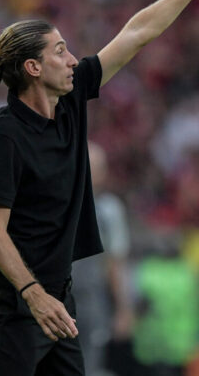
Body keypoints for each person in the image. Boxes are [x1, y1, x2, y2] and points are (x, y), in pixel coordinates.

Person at [0, 0, 199, 376]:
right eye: (60, 51)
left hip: (59, 300)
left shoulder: (72, 97)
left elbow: (136, 33)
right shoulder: (2, 136)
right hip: (16, 308)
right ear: (33, 68)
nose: (72, 58)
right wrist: (34, 295)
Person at [72, 142, 132, 376]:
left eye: (95, 167)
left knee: (89, 362)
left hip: (91, 300)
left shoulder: (109, 212)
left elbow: (115, 263)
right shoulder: (52, 205)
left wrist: (123, 309)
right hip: (54, 298)